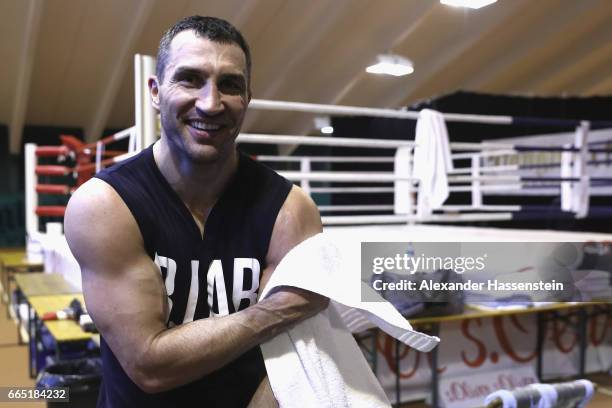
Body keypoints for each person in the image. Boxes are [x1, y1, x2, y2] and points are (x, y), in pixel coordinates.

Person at [64, 15, 328, 408]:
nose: (210, 103)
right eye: (190, 79)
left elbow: (296, 352)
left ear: (247, 98)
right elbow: (150, 365)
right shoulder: (105, 205)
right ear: (155, 91)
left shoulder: (290, 210)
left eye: (230, 84)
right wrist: (274, 311)